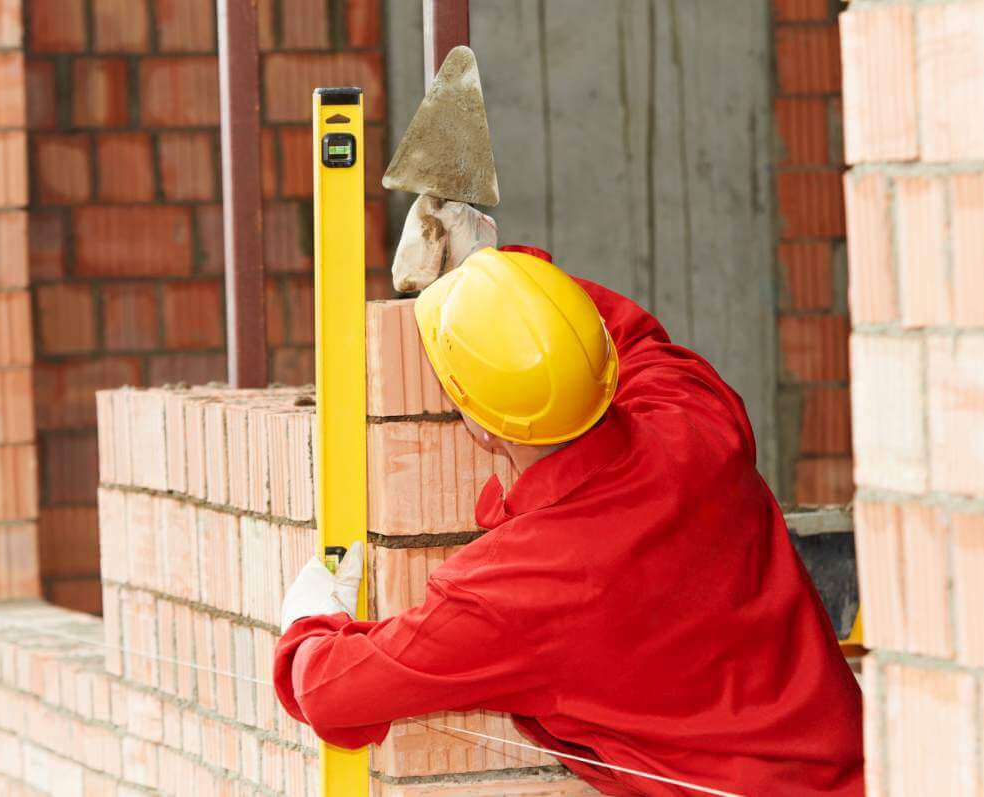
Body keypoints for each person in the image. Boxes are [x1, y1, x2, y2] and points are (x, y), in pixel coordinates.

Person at [273, 245, 864, 796]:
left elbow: (329, 690)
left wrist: (307, 620)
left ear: (482, 429)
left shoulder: (516, 587)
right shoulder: (694, 424)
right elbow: (625, 335)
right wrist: (499, 272)